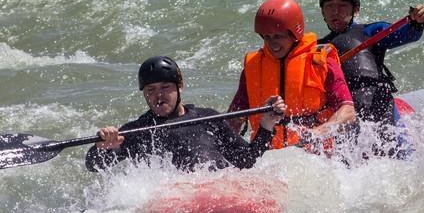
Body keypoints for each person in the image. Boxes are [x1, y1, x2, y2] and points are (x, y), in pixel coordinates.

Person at [86, 55, 286, 172]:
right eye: (151, 90)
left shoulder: (208, 119)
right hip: (179, 208)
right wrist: (102, 147)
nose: (159, 96)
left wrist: (267, 124)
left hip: (217, 197)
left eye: (165, 87)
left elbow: (247, 160)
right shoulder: (138, 131)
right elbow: (94, 165)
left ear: (180, 86)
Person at [228, 0, 356, 150]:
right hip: (268, 158)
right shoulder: (253, 66)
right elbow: (233, 120)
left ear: (295, 33)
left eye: (278, 36)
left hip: (316, 158)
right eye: (266, 37)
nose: (272, 43)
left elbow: (348, 112)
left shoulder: (321, 62)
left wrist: (317, 133)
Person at [316, 0, 424, 153]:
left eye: (342, 5)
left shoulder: (370, 32)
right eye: (329, 6)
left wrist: (416, 22)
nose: (335, 11)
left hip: (380, 106)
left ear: (356, 9)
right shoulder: (318, 48)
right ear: (322, 11)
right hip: (347, 114)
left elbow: (405, 34)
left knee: (400, 158)